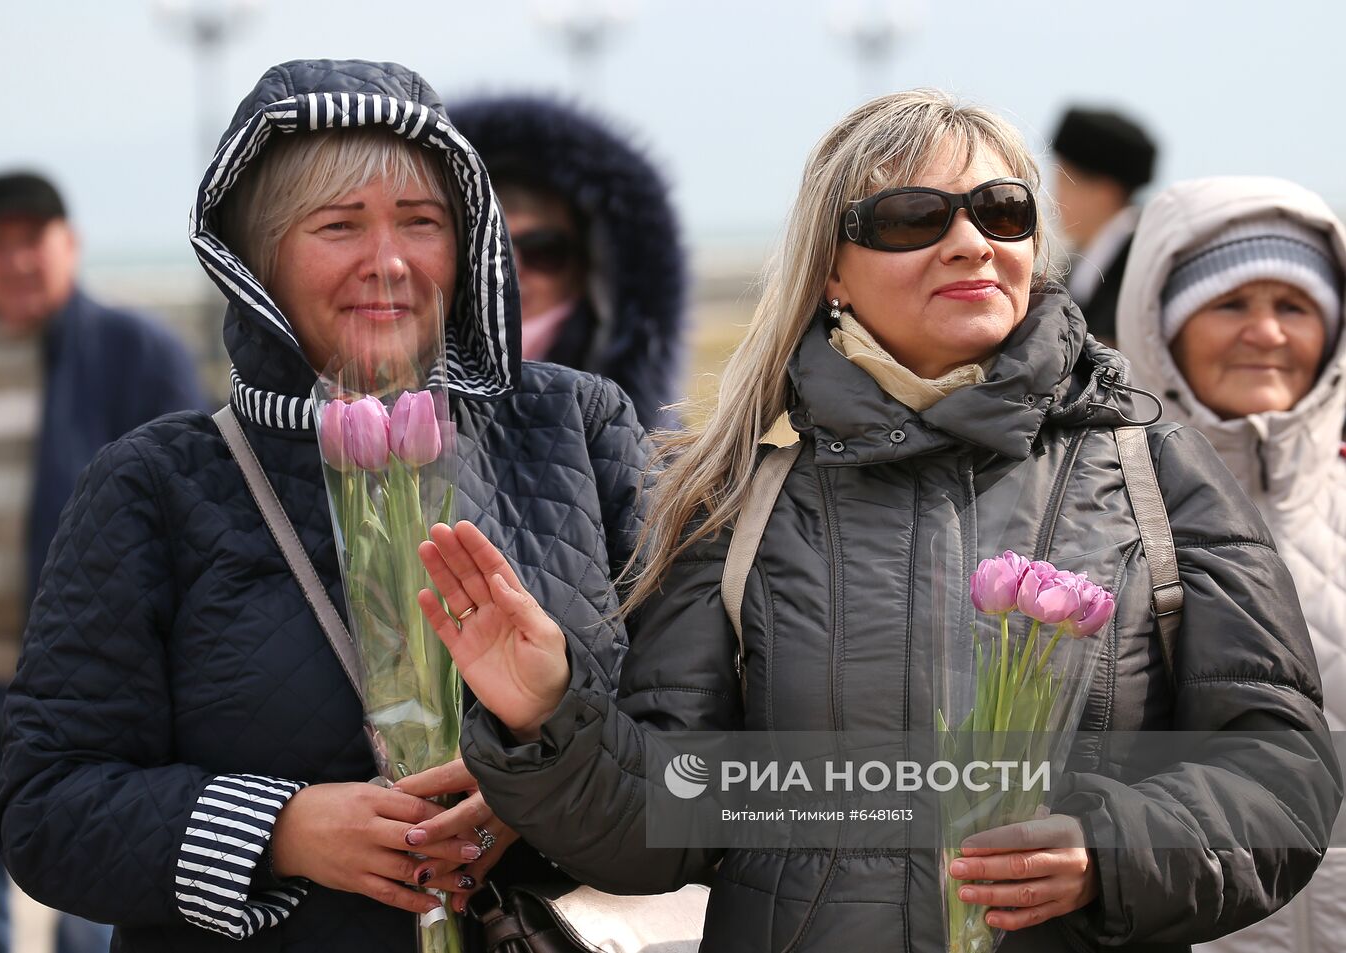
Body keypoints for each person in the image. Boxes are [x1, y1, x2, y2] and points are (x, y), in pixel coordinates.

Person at [420, 91, 1339, 952]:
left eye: (1002, 211)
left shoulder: (1153, 465)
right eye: (913, 218)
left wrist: (1112, 848)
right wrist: (547, 715)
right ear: (831, 271)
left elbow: (1281, 774)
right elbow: (666, 826)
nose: (972, 242)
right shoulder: (737, 492)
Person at [0, 59, 649, 951]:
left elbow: (688, 763)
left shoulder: (575, 433)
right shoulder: (156, 484)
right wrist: (281, 831)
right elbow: (44, 808)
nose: (388, 261)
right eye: (339, 225)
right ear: (257, 262)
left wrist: (535, 781)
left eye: (422, 223)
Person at [0, 171, 204, 953]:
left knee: (90, 887)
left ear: (71, 245)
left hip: (84, 679)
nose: (19, 259)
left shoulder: (138, 353)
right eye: (0, 244)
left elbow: (188, 517)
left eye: (35, 240)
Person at [1115, 175, 1346, 953]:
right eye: (1229, 304)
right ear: (1160, 331)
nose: (1267, 334)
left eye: (1294, 306)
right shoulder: (1097, 518)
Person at [451, 95, 687, 429]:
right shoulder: (380, 441)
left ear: (590, 270)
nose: (510, 270)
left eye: (544, 250)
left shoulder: (668, 464)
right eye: (486, 246)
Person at [1051, 106, 1157, 348]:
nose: (1054, 200)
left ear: (1104, 191)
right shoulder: (1074, 264)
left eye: (1063, 182)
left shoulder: (1144, 259)